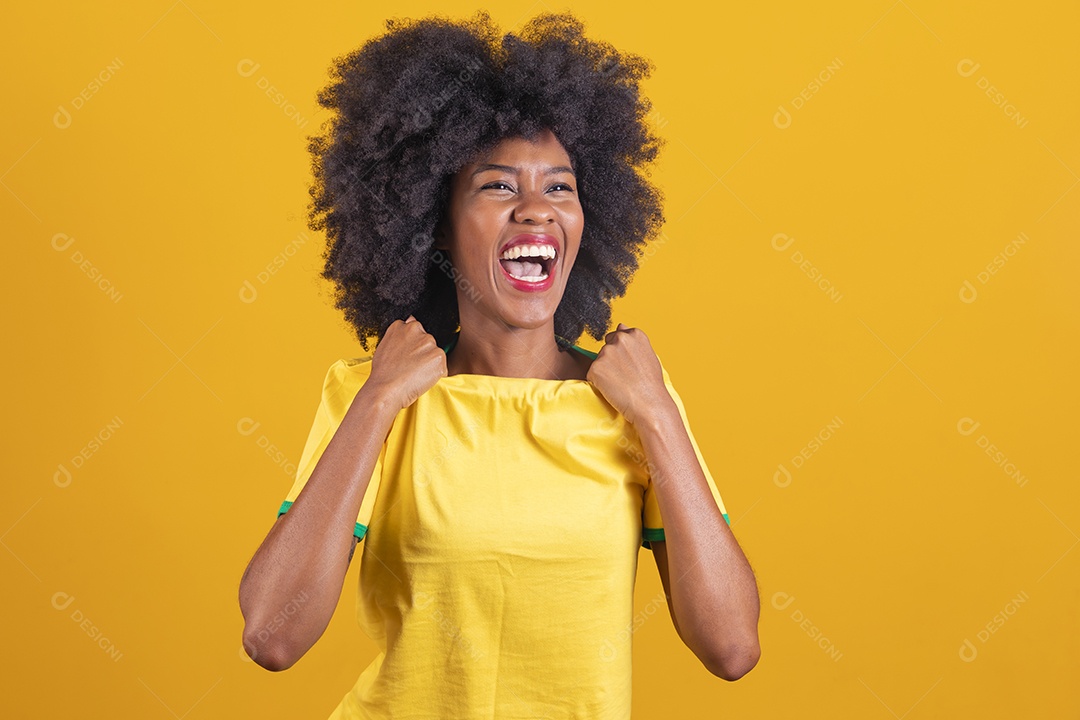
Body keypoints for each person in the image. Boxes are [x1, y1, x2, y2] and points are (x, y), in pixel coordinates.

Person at [238, 10, 760, 718]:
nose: (537, 211)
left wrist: (657, 415)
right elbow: (272, 633)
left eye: (560, 187)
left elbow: (731, 647)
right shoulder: (372, 395)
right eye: (499, 186)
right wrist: (377, 403)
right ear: (434, 225)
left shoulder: (635, 402)